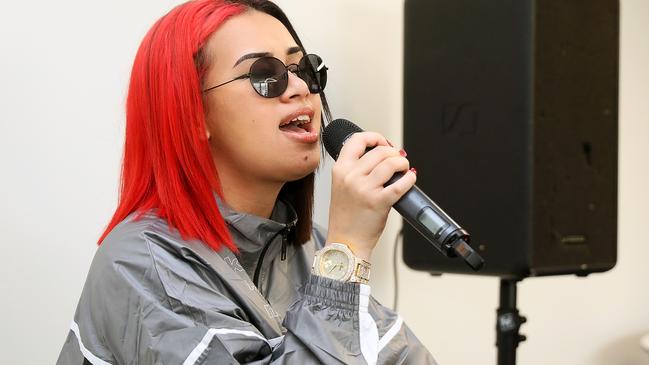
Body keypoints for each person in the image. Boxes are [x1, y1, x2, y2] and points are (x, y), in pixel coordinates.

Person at [57, 0, 436, 364]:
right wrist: (347, 255)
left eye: (304, 69)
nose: (301, 88)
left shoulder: (312, 248)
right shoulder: (142, 263)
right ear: (192, 115)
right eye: (265, 76)